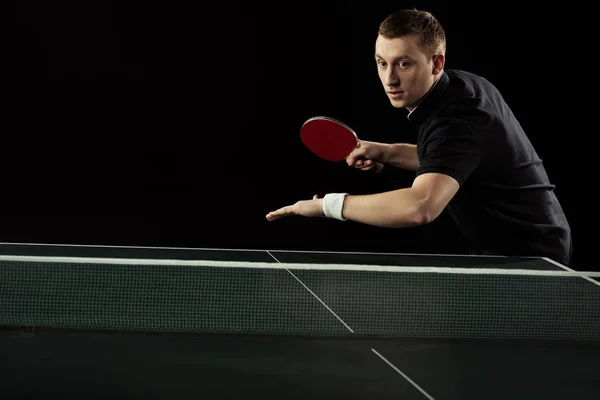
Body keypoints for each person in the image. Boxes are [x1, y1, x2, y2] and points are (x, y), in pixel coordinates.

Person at [265, 8, 572, 266]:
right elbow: (450, 160)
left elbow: (419, 207)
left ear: (436, 63)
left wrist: (326, 206)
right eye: (381, 62)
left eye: (404, 63)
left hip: (532, 258)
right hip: (509, 249)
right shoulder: (461, 88)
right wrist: (383, 151)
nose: (390, 78)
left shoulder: (459, 119)